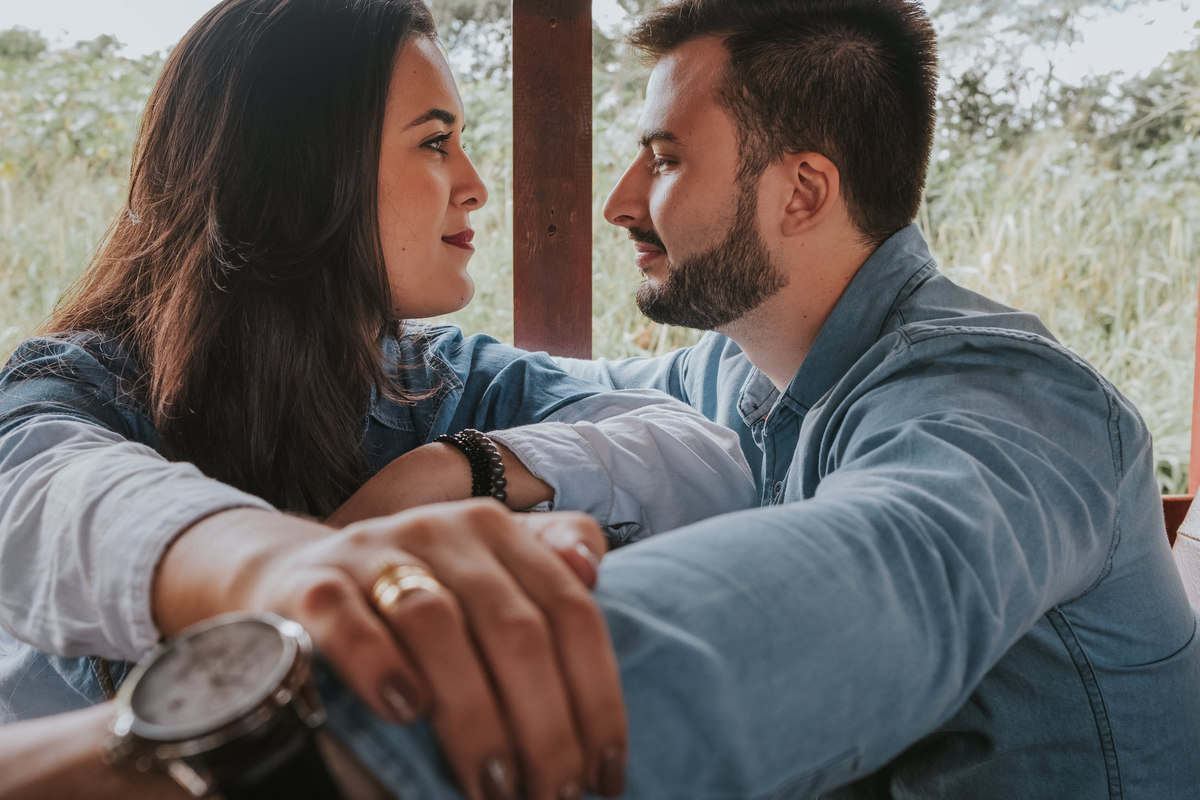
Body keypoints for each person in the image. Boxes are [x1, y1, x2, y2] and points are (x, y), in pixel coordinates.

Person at [293, 0, 1200, 797]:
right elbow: (536, 390)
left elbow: (874, 582)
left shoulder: (1009, 402)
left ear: (801, 192)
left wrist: (335, 744)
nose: (619, 201)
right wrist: (455, 453)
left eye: (664, 159)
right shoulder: (753, 368)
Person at [0, 1, 759, 799]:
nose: (475, 187)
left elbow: (708, 462)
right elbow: (43, 499)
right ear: (300, 167)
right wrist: (288, 566)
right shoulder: (84, 382)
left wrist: (456, 470)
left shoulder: (432, 379)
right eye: (436, 143)